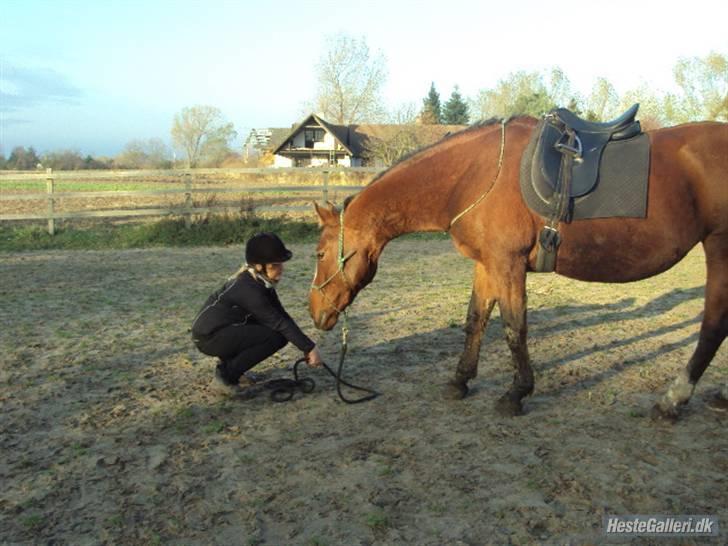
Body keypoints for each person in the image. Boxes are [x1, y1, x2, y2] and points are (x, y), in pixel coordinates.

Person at [191, 232, 323, 396]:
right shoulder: (249, 289)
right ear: (259, 266)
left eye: (280, 264)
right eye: (275, 265)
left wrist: (307, 346)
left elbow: (281, 315)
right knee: (276, 337)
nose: (281, 269)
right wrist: (309, 348)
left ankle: (233, 369)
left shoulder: (259, 282)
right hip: (209, 337)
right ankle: (225, 377)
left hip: (220, 330)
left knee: (270, 328)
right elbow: (279, 323)